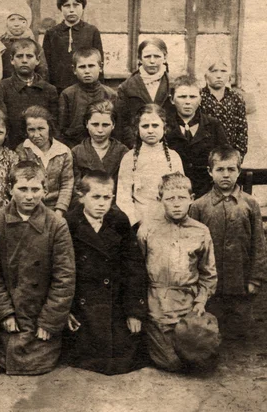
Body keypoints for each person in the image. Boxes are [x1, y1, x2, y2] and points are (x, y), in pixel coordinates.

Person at [0, 161, 75, 375]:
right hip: (8, 310)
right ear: (10, 189)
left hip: (40, 313)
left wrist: (49, 321)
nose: (29, 196)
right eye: (22, 189)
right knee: (0, 349)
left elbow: (64, 277)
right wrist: (5, 313)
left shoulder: (56, 224)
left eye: (35, 189)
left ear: (45, 190)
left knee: (37, 359)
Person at [64, 171, 147, 375]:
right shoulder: (69, 224)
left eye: (107, 197)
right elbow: (61, 271)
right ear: (81, 197)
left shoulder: (119, 221)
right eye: (95, 197)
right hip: (83, 305)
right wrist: (66, 310)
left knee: (126, 353)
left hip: (115, 302)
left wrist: (134, 311)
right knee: (82, 353)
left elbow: (133, 267)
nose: (102, 203)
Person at [138, 172, 218, 372]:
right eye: (170, 198)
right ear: (160, 200)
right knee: (171, 363)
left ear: (191, 199)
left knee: (201, 360)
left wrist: (200, 302)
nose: (176, 204)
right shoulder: (147, 230)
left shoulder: (201, 231)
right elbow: (136, 271)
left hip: (187, 307)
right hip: (156, 306)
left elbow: (208, 274)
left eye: (181, 198)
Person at [189, 146, 267, 340]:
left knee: (239, 335)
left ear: (239, 171)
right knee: (210, 333)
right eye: (220, 169)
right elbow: (193, 248)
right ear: (210, 172)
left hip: (240, 284)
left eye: (231, 169)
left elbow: (259, 243)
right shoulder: (199, 206)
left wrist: (255, 279)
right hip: (211, 289)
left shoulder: (250, 204)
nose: (226, 175)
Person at [116, 103, 184, 226]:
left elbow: (181, 192)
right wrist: (137, 222)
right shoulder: (129, 158)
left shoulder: (173, 157)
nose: (150, 130)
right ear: (137, 129)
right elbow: (123, 197)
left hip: (169, 219)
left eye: (155, 125)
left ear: (164, 128)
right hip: (141, 220)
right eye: (145, 126)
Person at [0, 39, 59, 149]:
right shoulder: (2, 88)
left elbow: (54, 126)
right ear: (12, 60)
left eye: (29, 56)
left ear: (38, 60)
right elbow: (0, 123)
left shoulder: (49, 90)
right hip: (12, 147)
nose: (24, 60)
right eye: (19, 56)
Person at [166, 75, 228, 198]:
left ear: (200, 99)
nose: (188, 101)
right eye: (182, 97)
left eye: (193, 97)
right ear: (172, 99)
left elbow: (224, 157)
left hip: (207, 190)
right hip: (174, 191)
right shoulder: (164, 126)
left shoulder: (213, 125)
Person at [16, 106, 74, 217]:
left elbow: (67, 184)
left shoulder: (63, 152)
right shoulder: (22, 150)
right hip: (30, 208)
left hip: (56, 208)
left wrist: (59, 211)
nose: (36, 135)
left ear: (49, 127)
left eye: (41, 129)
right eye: (31, 130)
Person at [43, 0, 103, 94]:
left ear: (83, 7)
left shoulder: (92, 31)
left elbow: (99, 62)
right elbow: (45, 65)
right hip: (58, 88)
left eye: (76, 5)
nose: (71, 10)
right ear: (60, 8)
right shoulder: (51, 33)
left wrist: (99, 90)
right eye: (66, 6)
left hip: (86, 89)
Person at [115, 38, 171, 148]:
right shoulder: (126, 87)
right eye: (147, 56)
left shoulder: (172, 86)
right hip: (136, 144)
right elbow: (122, 122)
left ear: (165, 58)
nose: (152, 61)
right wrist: (134, 144)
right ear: (140, 59)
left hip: (167, 144)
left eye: (157, 56)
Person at [58, 48, 116, 148]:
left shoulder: (110, 94)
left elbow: (116, 128)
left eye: (91, 66)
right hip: (74, 146)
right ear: (74, 70)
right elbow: (61, 129)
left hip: (104, 145)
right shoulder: (68, 94)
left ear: (100, 67)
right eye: (82, 67)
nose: (87, 71)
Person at [71, 100, 128, 187]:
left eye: (105, 125)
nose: (100, 130)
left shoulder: (123, 152)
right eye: (95, 124)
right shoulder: (77, 152)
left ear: (113, 125)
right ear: (87, 124)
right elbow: (75, 187)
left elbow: (125, 186)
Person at [200, 59, 248, 158]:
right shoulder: (199, 96)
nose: (219, 75)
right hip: (204, 152)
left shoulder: (236, 98)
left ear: (229, 76)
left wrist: (238, 154)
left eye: (223, 71)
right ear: (206, 76)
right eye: (214, 71)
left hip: (229, 152)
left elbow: (242, 129)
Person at [0, 3, 48, 80]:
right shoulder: (1, 44)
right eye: (12, 20)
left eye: (21, 20)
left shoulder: (35, 45)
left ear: (27, 22)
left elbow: (42, 71)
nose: (16, 24)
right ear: (7, 22)